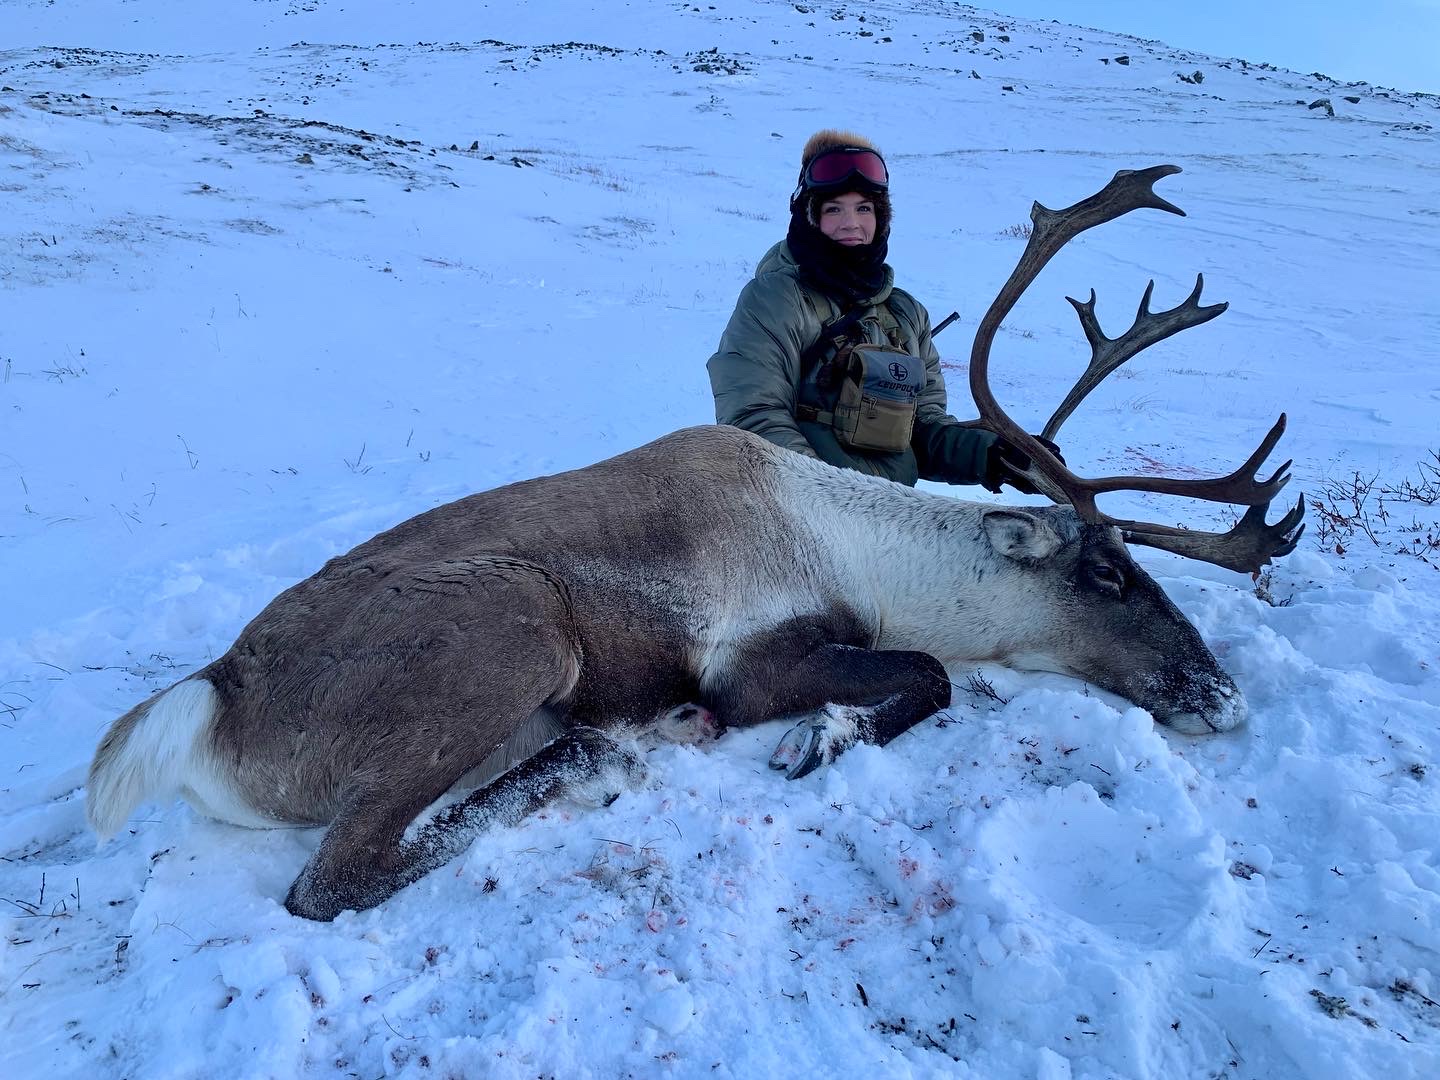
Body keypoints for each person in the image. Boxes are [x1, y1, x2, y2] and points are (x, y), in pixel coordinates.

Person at [707, 129, 1053, 492]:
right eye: (833, 208)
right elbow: (754, 418)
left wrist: (994, 454)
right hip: (799, 516)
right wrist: (834, 500)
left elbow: (922, 428)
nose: (851, 223)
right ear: (809, 217)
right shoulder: (775, 298)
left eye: (864, 208)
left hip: (890, 519)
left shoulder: (906, 313)